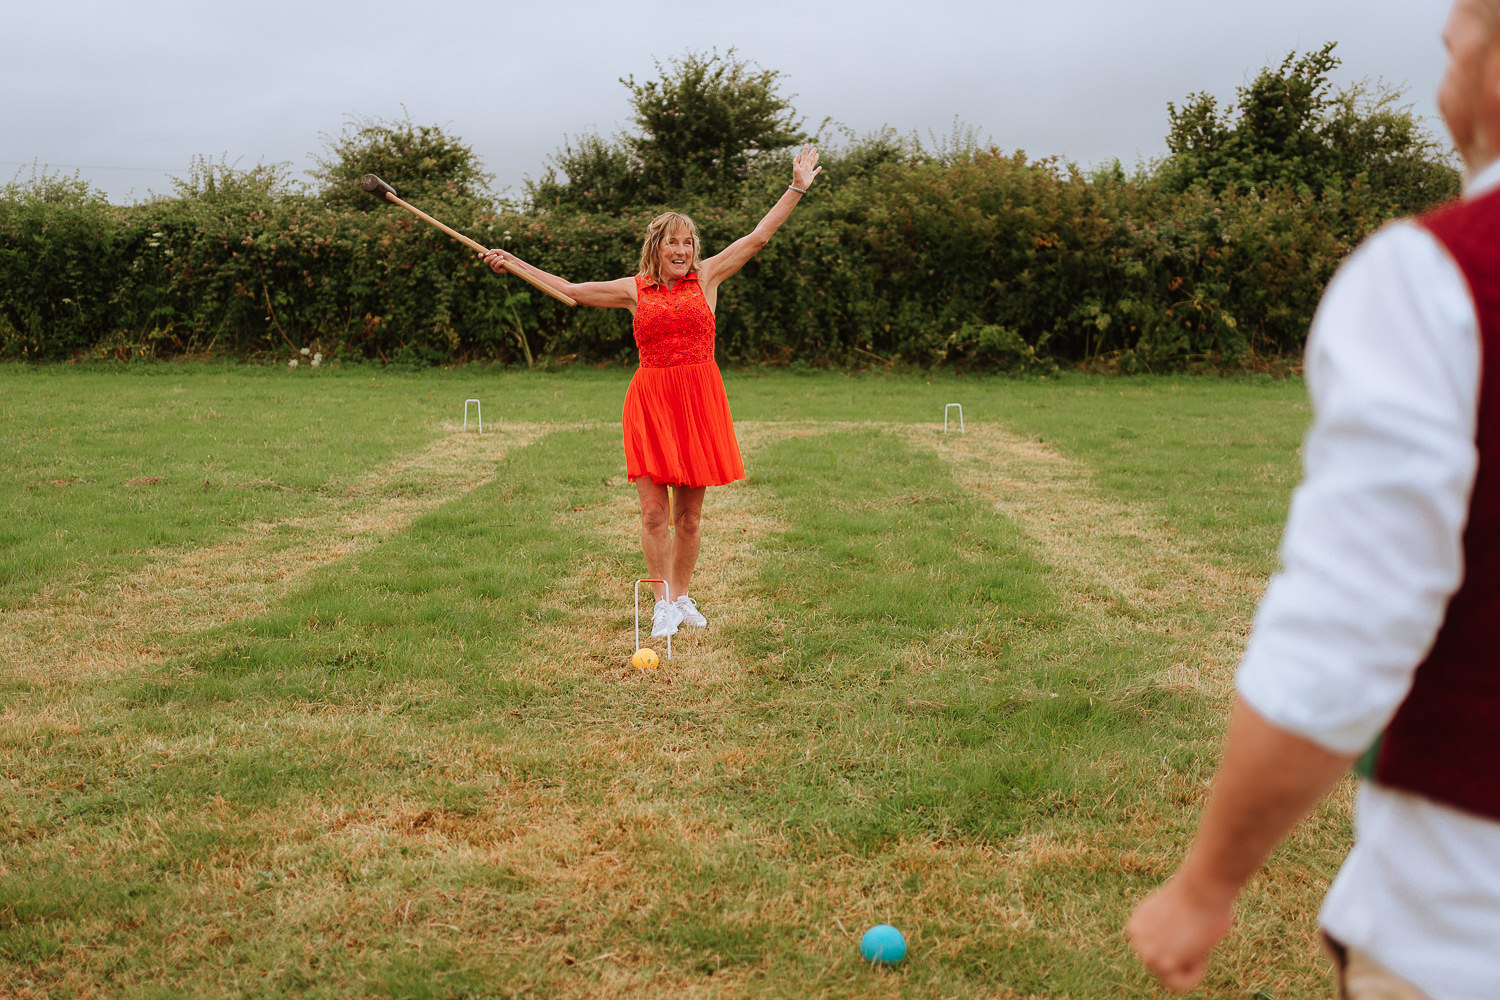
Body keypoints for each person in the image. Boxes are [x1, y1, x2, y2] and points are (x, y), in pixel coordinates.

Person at [1126, 2, 1500, 997]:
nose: (1445, 57)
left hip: (1465, 930)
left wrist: (1205, 883)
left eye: (1458, 35)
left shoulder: (1436, 279)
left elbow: (1348, 633)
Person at [481, 146, 822, 639]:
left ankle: (682, 598)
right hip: (652, 400)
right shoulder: (634, 289)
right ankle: (660, 602)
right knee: (654, 511)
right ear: (656, 249)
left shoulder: (708, 276)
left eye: (688, 242)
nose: (682, 251)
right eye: (672, 244)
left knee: (689, 516)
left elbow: (758, 237)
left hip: (700, 399)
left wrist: (796, 188)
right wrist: (513, 263)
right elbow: (572, 290)